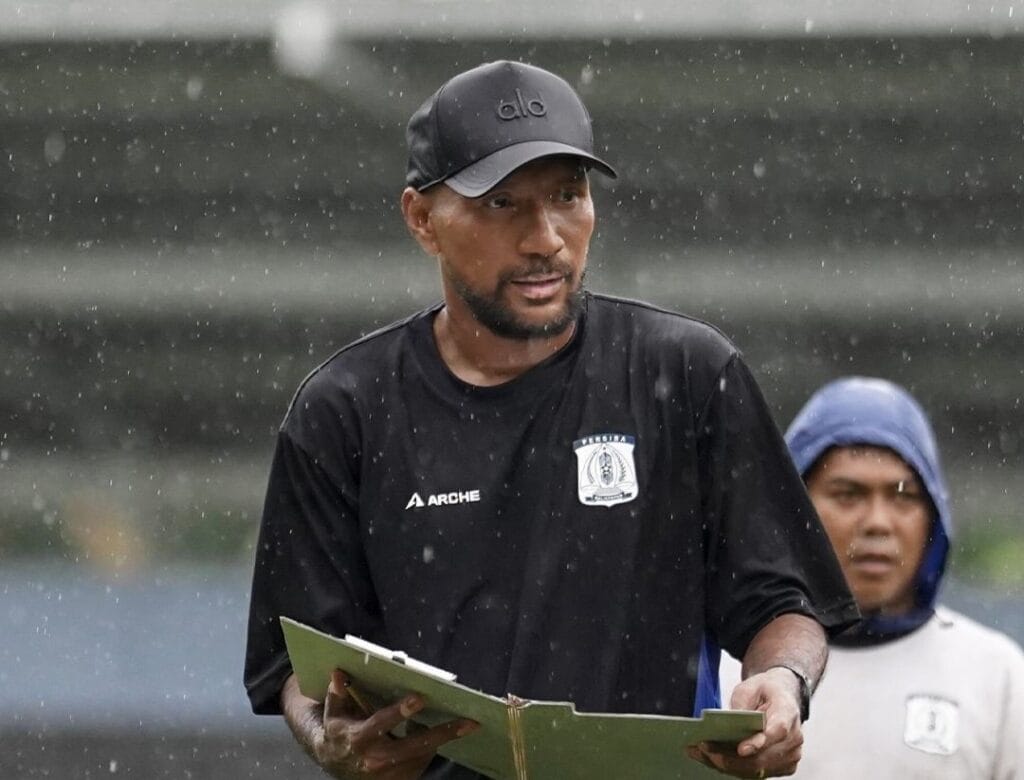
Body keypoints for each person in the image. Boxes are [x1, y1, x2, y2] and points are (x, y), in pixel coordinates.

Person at [244, 60, 859, 780]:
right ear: (421, 219)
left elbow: (782, 600)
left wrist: (783, 681)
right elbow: (298, 661)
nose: (545, 238)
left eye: (568, 195)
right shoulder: (343, 410)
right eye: (501, 203)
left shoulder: (689, 374)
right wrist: (330, 737)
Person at [722, 376, 1024, 778]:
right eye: (848, 494)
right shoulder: (730, 673)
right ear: (793, 509)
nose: (878, 522)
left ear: (933, 513)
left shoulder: (998, 677)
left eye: (903, 496)